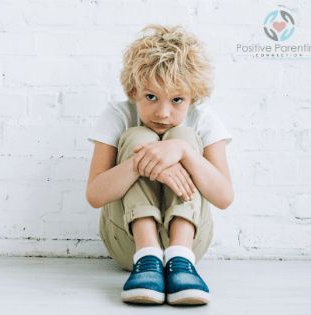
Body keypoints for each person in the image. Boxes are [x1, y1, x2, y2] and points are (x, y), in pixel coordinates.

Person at [85, 24, 234, 306]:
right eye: (151, 97)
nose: (163, 113)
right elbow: (95, 195)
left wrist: (182, 152)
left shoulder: (202, 119)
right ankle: (149, 255)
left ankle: (178, 256)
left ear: (193, 97)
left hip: (190, 248)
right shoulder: (118, 115)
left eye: (177, 100)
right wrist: (143, 162)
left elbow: (224, 197)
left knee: (184, 137)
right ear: (133, 91)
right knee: (138, 136)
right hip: (128, 245)